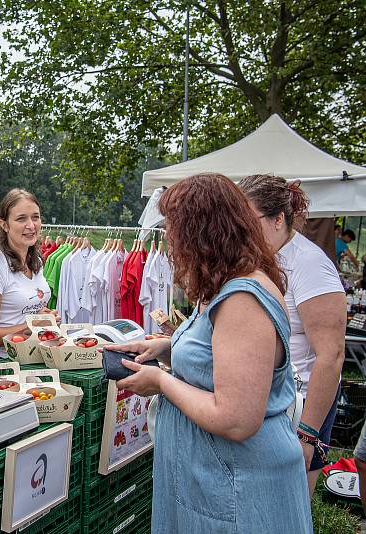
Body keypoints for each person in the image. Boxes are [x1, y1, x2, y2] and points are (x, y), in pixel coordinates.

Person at [108, 173, 312, 532]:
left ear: (202, 232)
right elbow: (223, 358)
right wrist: (166, 348)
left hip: (239, 493)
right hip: (215, 483)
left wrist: (161, 381)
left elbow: (236, 418)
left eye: (175, 229)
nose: (170, 241)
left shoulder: (242, 299)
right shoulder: (226, 286)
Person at [240, 174, 345, 496]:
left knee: (292, 502)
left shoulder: (310, 264)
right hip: (267, 399)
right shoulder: (260, 259)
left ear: (278, 219)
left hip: (300, 405)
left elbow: (332, 355)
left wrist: (307, 435)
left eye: (248, 219)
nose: (242, 228)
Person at [0, 189, 58, 378]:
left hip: (28, 362)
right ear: (4, 225)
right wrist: (32, 325)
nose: (31, 225)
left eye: (35, 217)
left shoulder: (36, 262)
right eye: (21, 219)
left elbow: (29, 311)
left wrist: (45, 319)